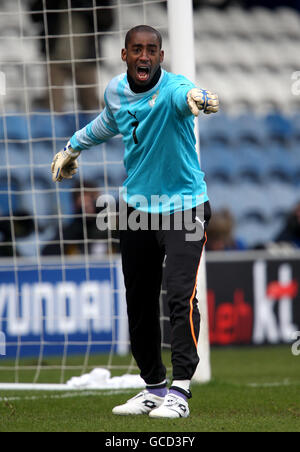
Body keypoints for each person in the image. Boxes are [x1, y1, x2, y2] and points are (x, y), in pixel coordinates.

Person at [51, 25, 219, 419]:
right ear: (124, 55)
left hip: (184, 208)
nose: (144, 56)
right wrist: (73, 147)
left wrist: (198, 96)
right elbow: (108, 122)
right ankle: (153, 387)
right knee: (139, 302)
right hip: (137, 211)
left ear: (161, 56)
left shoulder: (175, 89)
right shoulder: (115, 90)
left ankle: (180, 390)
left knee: (180, 296)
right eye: (137, 49)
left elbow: (186, 95)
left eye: (152, 50)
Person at [29, 0, 114, 112]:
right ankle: (54, 128)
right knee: (52, 106)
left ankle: (96, 129)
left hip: (86, 58)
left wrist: (83, 5)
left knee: (90, 105)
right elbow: (34, 15)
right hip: (56, 58)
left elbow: (107, 21)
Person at [42, 181, 119, 256]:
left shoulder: (113, 226)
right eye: (83, 206)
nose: (88, 209)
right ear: (75, 205)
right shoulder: (72, 231)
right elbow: (47, 252)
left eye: (92, 202)